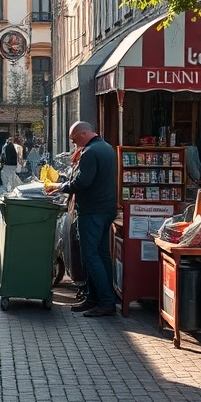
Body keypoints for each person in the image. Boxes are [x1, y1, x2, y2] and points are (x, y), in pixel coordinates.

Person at [45, 121, 117, 317]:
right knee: (101, 255)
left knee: (90, 256)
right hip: (106, 209)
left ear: (84, 134)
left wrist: (59, 187)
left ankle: (105, 302)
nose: (75, 144)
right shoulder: (107, 148)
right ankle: (95, 298)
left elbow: (82, 182)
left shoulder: (90, 152)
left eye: (75, 140)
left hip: (92, 211)